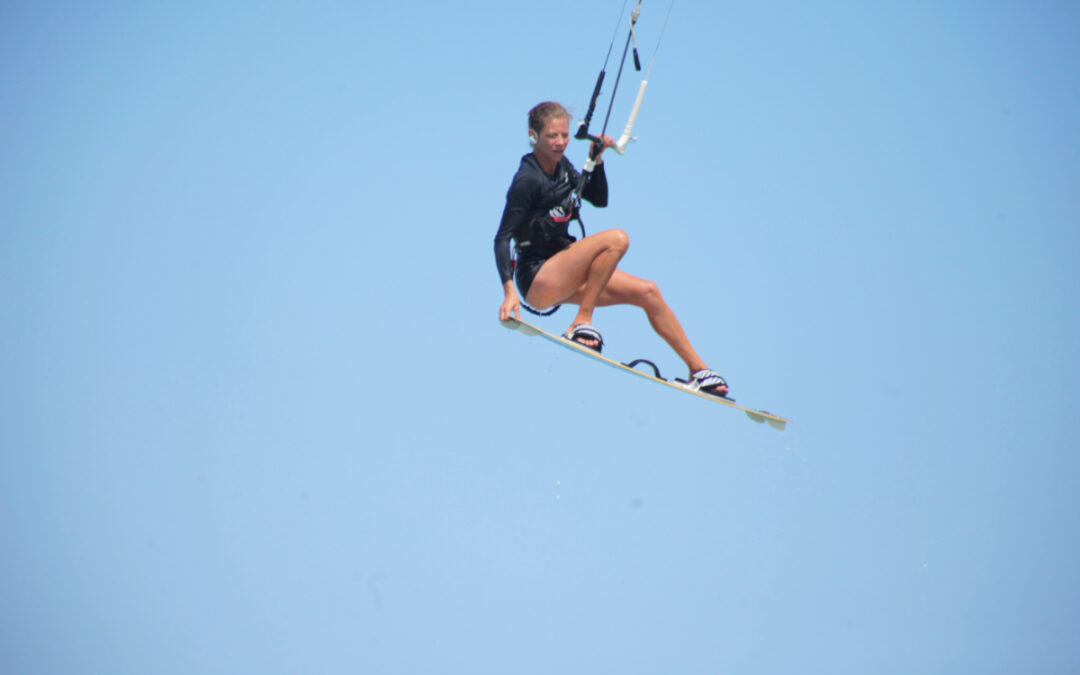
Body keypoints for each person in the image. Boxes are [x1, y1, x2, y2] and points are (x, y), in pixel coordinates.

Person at [494, 101, 729, 397]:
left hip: (565, 272)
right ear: (534, 136)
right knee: (617, 239)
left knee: (648, 292)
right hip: (538, 277)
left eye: (564, 135)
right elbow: (502, 237)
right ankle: (582, 321)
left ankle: (699, 371)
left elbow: (598, 199)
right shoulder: (528, 179)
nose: (560, 142)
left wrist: (597, 159)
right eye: (552, 136)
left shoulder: (563, 168)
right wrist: (509, 292)